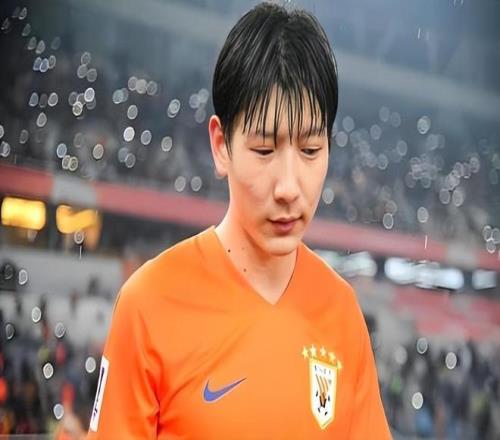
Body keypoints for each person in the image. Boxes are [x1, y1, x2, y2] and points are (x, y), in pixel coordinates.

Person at [87, 2, 391, 438]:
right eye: (265, 150)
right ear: (221, 145)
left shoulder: (342, 313)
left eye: (310, 150)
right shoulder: (148, 305)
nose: (289, 186)